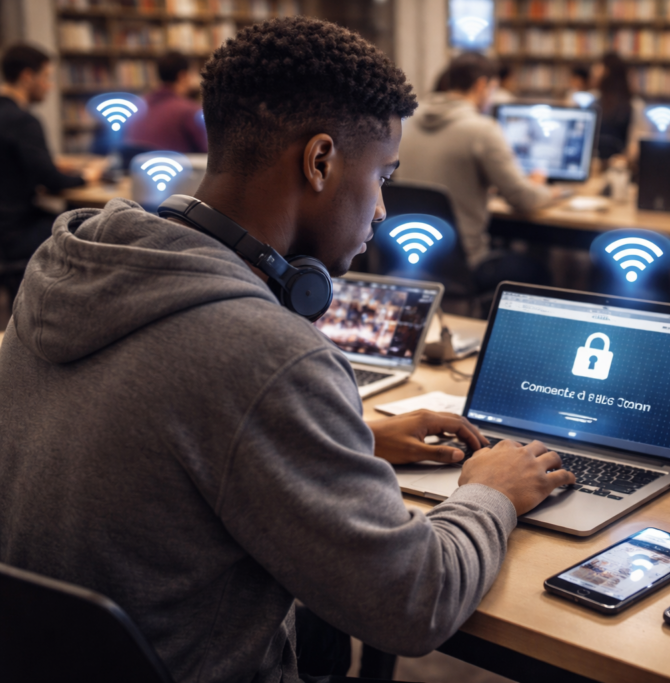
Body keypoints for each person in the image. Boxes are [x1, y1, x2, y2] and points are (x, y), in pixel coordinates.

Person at [0, 17, 573, 683]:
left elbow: (153, 430)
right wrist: (491, 492)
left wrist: (350, 435)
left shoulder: (68, 273)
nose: (383, 210)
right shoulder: (267, 354)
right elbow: (416, 602)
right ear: (320, 160)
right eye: (382, 174)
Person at [397, 51, 554, 282]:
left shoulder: (405, 122)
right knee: (539, 271)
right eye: (493, 89)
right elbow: (524, 199)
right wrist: (548, 190)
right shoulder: (482, 130)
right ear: (482, 85)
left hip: (405, 254)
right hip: (466, 263)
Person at [0, 44, 101, 278]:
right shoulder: (24, 121)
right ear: (27, 76)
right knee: (87, 226)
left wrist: (51, 163)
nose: (50, 85)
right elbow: (53, 182)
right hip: (15, 231)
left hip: (4, 226)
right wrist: (87, 176)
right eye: (46, 77)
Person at [124, 51, 207, 154]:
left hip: (134, 169)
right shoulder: (189, 111)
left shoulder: (137, 106)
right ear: (183, 76)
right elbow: (208, 150)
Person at [593, 52, 633, 160]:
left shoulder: (632, 105)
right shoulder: (594, 101)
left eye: (598, 67)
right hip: (594, 162)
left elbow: (633, 146)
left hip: (618, 165)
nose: (594, 72)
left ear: (607, 71)